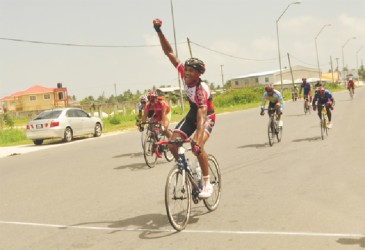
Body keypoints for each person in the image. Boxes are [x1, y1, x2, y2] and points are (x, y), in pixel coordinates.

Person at [153, 18, 216, 198]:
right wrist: (158, 31)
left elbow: (202, 116)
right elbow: (169, 52)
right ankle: (187, 168)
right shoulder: (183, 73)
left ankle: (206, 183)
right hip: (192, 113)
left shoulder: (201, 90)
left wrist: (197, 139)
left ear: (198, 74)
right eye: (186, 70)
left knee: (197, 147)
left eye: (191, 71)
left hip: (207, 116)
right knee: (173, 142)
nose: (186, 73)